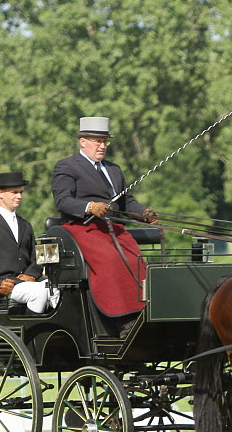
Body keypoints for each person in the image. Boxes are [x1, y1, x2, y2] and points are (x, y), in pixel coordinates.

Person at [50, 116, 157, 331]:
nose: (102, 146)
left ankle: (143, 312)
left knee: (136, 258)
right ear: (82, 141)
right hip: (83, 227)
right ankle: (119, 317)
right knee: (110, 259)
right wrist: (90, 206)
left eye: (105, 141)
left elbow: (127, 201)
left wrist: (143, 213)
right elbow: (63, 200)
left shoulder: (114, 169)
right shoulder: (67, 166)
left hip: (114, 229)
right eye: (97, 141)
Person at [0, 171, 59, 313]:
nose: (19, 196)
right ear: (1, 193)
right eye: (15, 192)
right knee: (40, 293)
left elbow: (35, 258)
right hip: (3, 288)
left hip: (27, 283)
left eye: (21, 192)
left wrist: (31, 275)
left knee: (59, 288)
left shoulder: (25, 225)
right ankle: (33, 333)